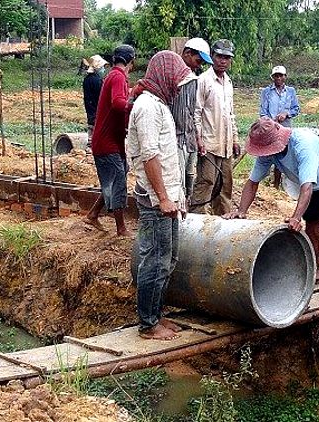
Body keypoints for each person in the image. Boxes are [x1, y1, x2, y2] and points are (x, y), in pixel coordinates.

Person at [224, 117, 319, 296]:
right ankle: (315, 270)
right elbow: (253, 182)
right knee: (311, 219)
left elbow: (307, 186)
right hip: (316, 180)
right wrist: (241, 211)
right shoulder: (268, 153)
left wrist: (295, 217)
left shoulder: (302, 146)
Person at [126, 51, 191, 341]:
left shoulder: (160, 104)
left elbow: (167, 157)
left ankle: (155, 315)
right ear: (164, 77)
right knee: (156, 259)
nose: (178, 87)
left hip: (165, 198)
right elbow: (150, 155)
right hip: (155, 200)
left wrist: (178, 197)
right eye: (176, 81)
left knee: (169, 257)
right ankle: (148, 324)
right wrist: (164, 198)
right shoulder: (148, 108)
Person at [84, 44, 135, 236]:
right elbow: (118, 103)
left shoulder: (114, 76)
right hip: (107, 143)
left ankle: (93, 214)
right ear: (132, 61)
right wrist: (135, 102)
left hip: (111, 140)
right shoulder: (117, 77)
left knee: (117, 176)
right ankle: (121, 228)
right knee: (118, 181)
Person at [190, 39, 239, 216]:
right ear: (212, 57)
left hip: (225, 145)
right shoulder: (203, 80)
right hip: (209, 144)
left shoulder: (228, 82)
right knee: (206, 183)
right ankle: (196, 224)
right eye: (220, 57)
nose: (223, 61)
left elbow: (231, 114)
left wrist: (234, 139)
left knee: (225, 186)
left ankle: (223, 227)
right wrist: (199, 140)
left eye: (227, 58)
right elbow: (196, 112)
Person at [170, 38, 213, 205]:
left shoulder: (194, 79)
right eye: (197, 60)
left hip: (189, 138)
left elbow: (193, 112)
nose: (199, 65)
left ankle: (186, 205)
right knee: (177, 178)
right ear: (187, 54)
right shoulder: (173, 78)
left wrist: (197, 137)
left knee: (189, 176)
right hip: (176, 138)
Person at [259, 65, 300, 189]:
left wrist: (286, 114)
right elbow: (262, 112)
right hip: (270, 127)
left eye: (281, 75)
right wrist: (269, 122)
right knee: (267, 153)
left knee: (282, 153)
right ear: (272, 77)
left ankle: (277, 184)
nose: (278, 78)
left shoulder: (291, 91)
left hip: (285, 128)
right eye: (276, 76)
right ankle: (263, 181)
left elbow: (296, 109)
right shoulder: (266, 92)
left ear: (285, 77)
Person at [81, 54, 109, 141]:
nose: (103, 69)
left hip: (90, 109)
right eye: (102, 67)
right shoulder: (97, 81)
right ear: (98, 67)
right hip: (97, 110)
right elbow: (101, 97)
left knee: (91, 127)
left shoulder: (87, 79)